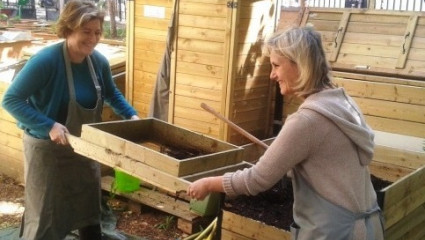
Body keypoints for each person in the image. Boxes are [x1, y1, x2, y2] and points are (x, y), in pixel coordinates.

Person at [187, 27, 384, 240]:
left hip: (336, 233)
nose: (272, 75)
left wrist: (208, 183)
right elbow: (329, 167)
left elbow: (256, 179)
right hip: (369, 227)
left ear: (300, 64)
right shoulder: (343, 103)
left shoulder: (306, 121)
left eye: (276, 65)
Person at [1, 1, 139, 239]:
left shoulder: (98, 62)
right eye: (86, 32)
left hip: (84, 150)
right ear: (68, 29)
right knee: (46, 216)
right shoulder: (45, 61)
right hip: (47, 153)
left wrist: (132, 115)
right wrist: (49, 126)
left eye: (97, 32)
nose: (93, 38)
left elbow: (111, 93)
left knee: (87, 210)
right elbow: (10, 99)